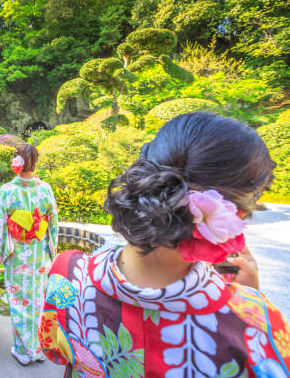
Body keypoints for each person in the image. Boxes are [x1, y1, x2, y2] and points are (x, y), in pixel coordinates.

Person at [39, 112, 290, 377]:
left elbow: (53, 349)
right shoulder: (260, 327)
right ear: (233, 213)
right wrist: (250, 303)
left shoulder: (66, 274)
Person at [0, 144, 59, 365]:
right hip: (39, 252)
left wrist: (1, 250)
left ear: (16, 163)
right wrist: (53, 248)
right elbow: (53, 223)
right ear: (35, 163)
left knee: (20, 300)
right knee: (38, 300)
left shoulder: (6, 191)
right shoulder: (45, 189)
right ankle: (37, 348)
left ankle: (24, 350)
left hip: (18, 252)